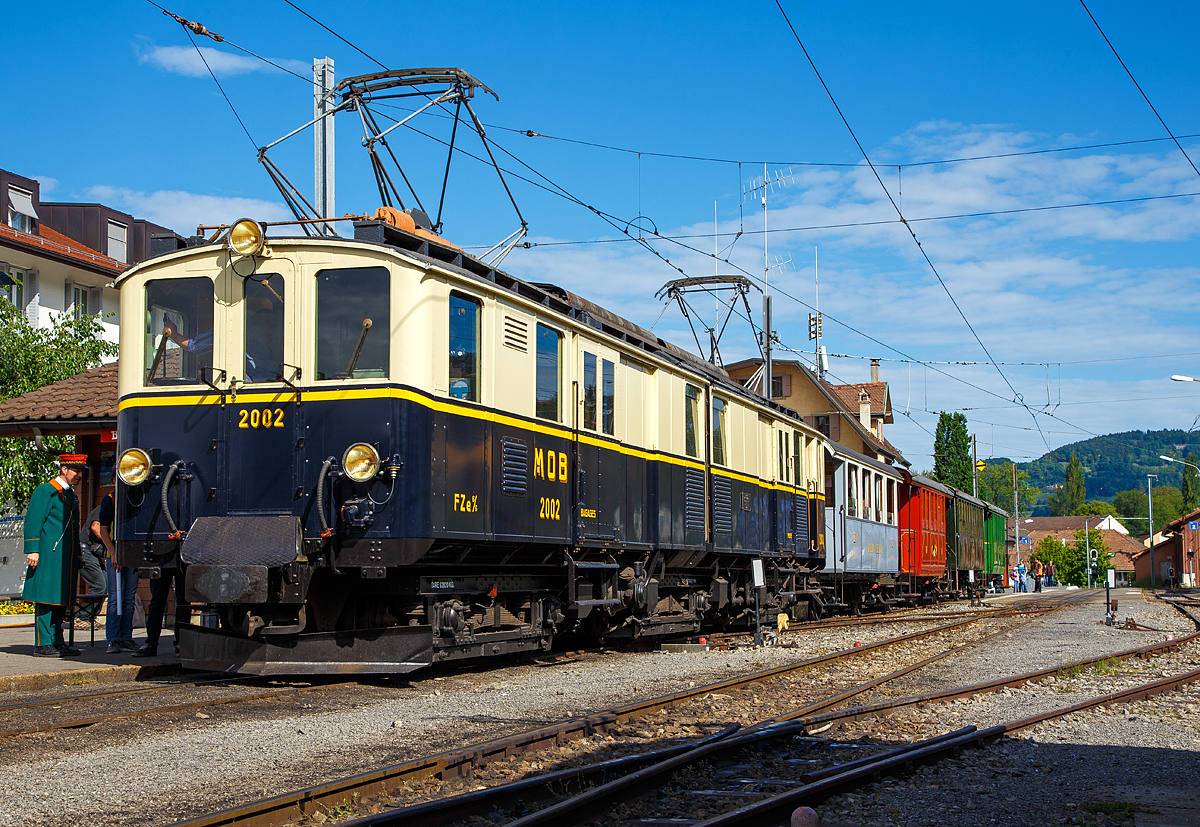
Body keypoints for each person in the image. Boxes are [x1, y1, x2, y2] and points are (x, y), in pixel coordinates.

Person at [22, 455, 86, 657]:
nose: (80, 475)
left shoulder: (69, 495)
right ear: (64, 469)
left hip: (65, 557)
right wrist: (33, 549)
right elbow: (33, 521)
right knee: (45, 597)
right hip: (48, 554)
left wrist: (78, 554)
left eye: (82, 471)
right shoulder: (46, 492)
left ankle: (57, 642)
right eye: (76, 471)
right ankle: (43, 644)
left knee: (61, 599)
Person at [87, 491, 139, 654]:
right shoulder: (110, 499)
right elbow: (103, 529)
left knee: (129, 598)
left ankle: (126, 638)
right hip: (115, 554)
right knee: (115, 597)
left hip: (133, 554)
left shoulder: (138, 496)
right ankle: (113, 639)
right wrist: (114, 553)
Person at [135, 563, 185, 658]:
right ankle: (151, 642)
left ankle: (181, 643)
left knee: (181, 601)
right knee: (157, 600)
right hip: (162, 558)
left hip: (178, 558)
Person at [76, 495, 109, 626]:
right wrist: (109, 543)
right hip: (84, 550)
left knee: (106, 584)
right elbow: (96, 527)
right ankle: (82, 618)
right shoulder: (103, 508)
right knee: (99, 585)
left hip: (92, 552)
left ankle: (89, 617)